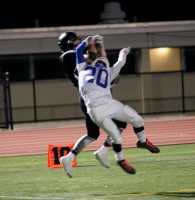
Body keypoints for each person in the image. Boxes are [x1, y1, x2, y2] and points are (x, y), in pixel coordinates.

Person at [60, 35, 160, 178]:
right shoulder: (73, 59)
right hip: (93, 102)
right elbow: (88, 55)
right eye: (75, 41)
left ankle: (74, 156)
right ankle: (112, 155)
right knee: (117, 129)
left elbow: (109, 62)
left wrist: (119, 56)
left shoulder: (98, 69)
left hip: (102, 99)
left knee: (97, 133)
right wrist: (91, 42)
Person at [58, 32, 128, 177]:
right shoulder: (69, 55)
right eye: (76, 40)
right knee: (121, 122)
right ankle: (104, 151)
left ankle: (69, 157)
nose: (79, 41)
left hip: (91, 96)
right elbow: (93, 59)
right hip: (93, 98)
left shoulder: (71, 56)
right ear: (69, 43)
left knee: (92, 134)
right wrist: (93, 43)